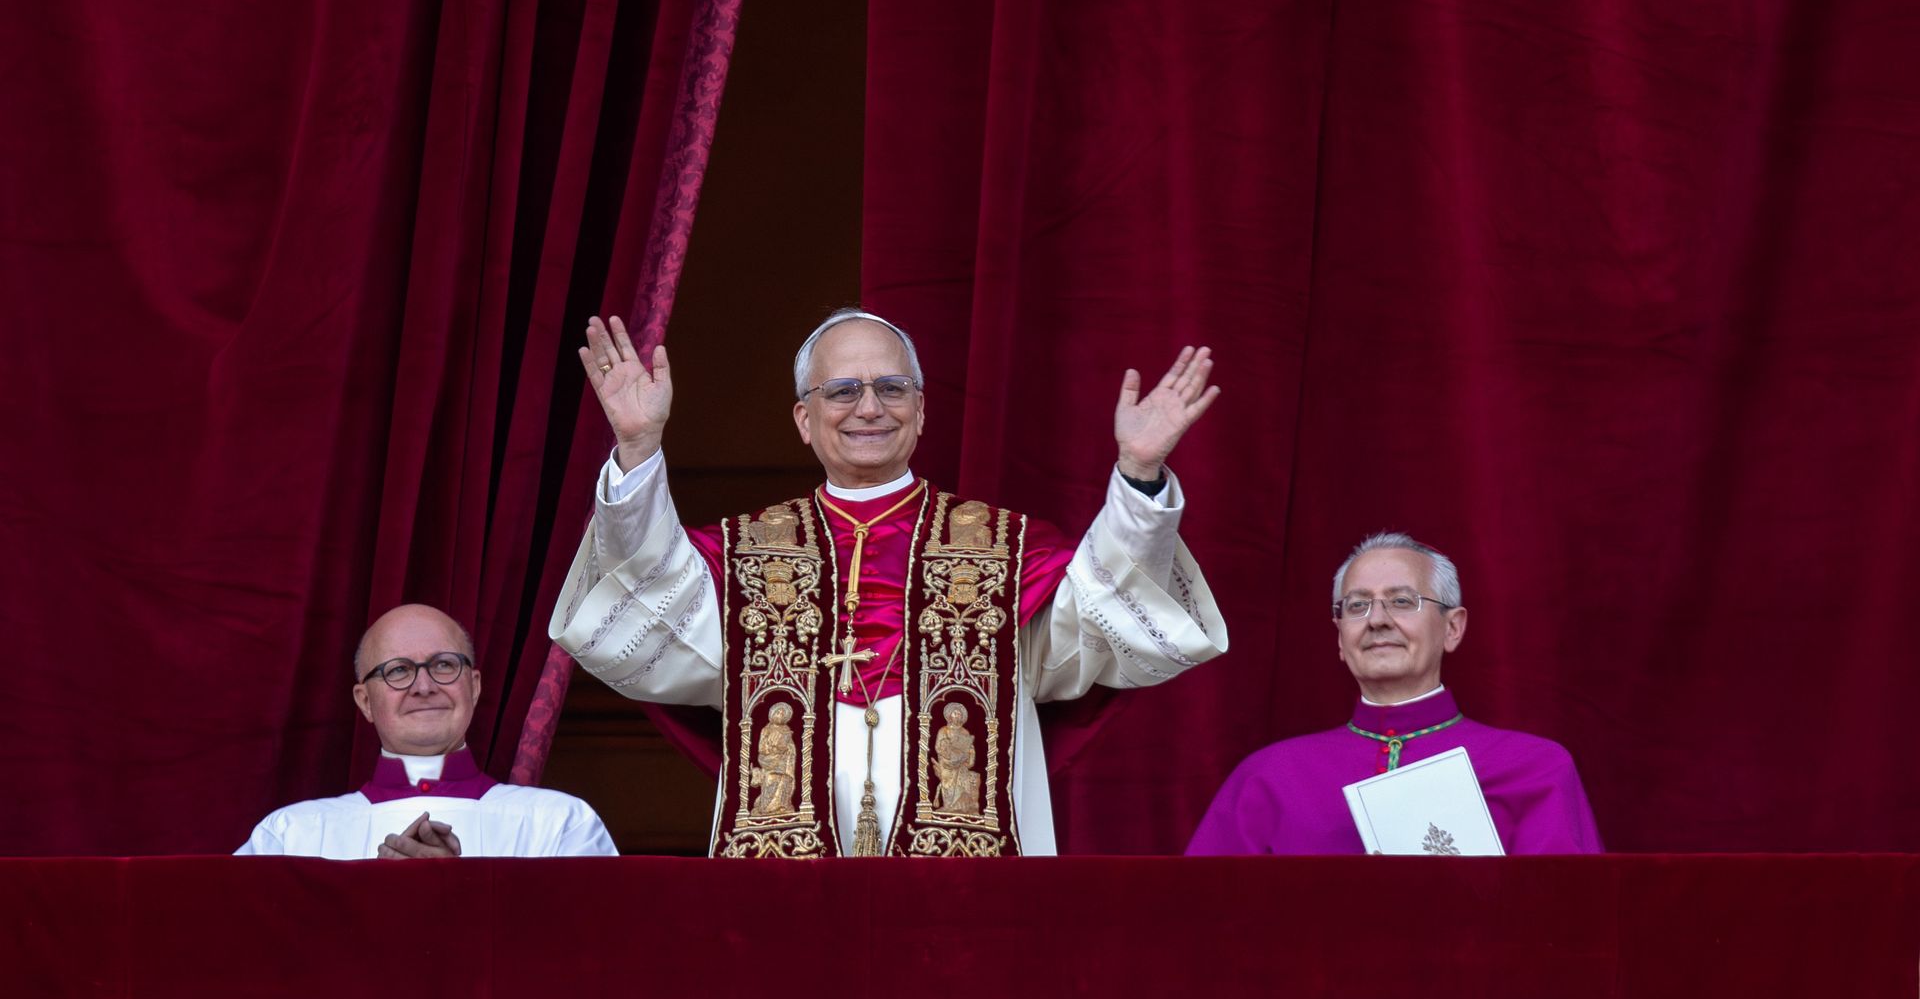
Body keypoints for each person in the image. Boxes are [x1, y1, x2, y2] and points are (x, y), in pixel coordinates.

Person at [550, 308, 1229, 857]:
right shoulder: (744, 556)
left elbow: (1102, 624)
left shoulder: (1004, 551)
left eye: (891, 387)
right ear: (804, 420)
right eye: (842, 390)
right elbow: (647, 614)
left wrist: (1139, 475)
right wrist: (638, 451)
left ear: (922, 410)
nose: (868, 406)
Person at [1186, 532, 1601, 855]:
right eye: (1356, 606)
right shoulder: (1269, 777)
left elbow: (1568, 926)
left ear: (1452, 628)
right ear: (1340, 638)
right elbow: (1203, 920)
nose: (1377, 620)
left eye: (1402, 601)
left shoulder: (1535, 769)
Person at [238, 604, 617, 858]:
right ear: (365, 701)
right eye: (398, 670)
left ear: (474, 686)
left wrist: (462, 894)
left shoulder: (561, 825)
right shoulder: (290, 837)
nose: (424, 686)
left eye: (444, 665)